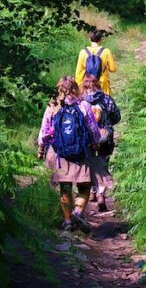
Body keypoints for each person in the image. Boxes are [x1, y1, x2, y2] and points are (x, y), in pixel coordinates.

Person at [37, 76, 102, 231]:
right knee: (84, 187)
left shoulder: (52, 106)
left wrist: (41, 148)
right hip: (81, 152)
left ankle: (67, 221)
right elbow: (93, 130)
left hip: (59, 153)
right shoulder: (83, 105)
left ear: (58, 89)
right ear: (75, 88)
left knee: (65, 188)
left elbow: (45, 131)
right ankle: (77, 212)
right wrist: (95, 143)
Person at [81, 74, 120, 213]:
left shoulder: (80, 100)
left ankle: (92, 191)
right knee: (103, 163)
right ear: (98, 84)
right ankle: (101, 194)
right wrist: (107, 124)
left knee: (90, 163)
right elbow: (116, 116)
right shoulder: (106, 98)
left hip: (88, 137)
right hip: (105, 135)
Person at [75, 29, 117, 96]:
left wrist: (80, 87)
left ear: (90, 39)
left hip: (87, 85)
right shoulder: (106, 51)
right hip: (102, 85)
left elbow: (78, 73)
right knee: (103, 104)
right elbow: (113, 69)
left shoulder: (83, 52)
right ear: (101, 39)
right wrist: (106, 66)